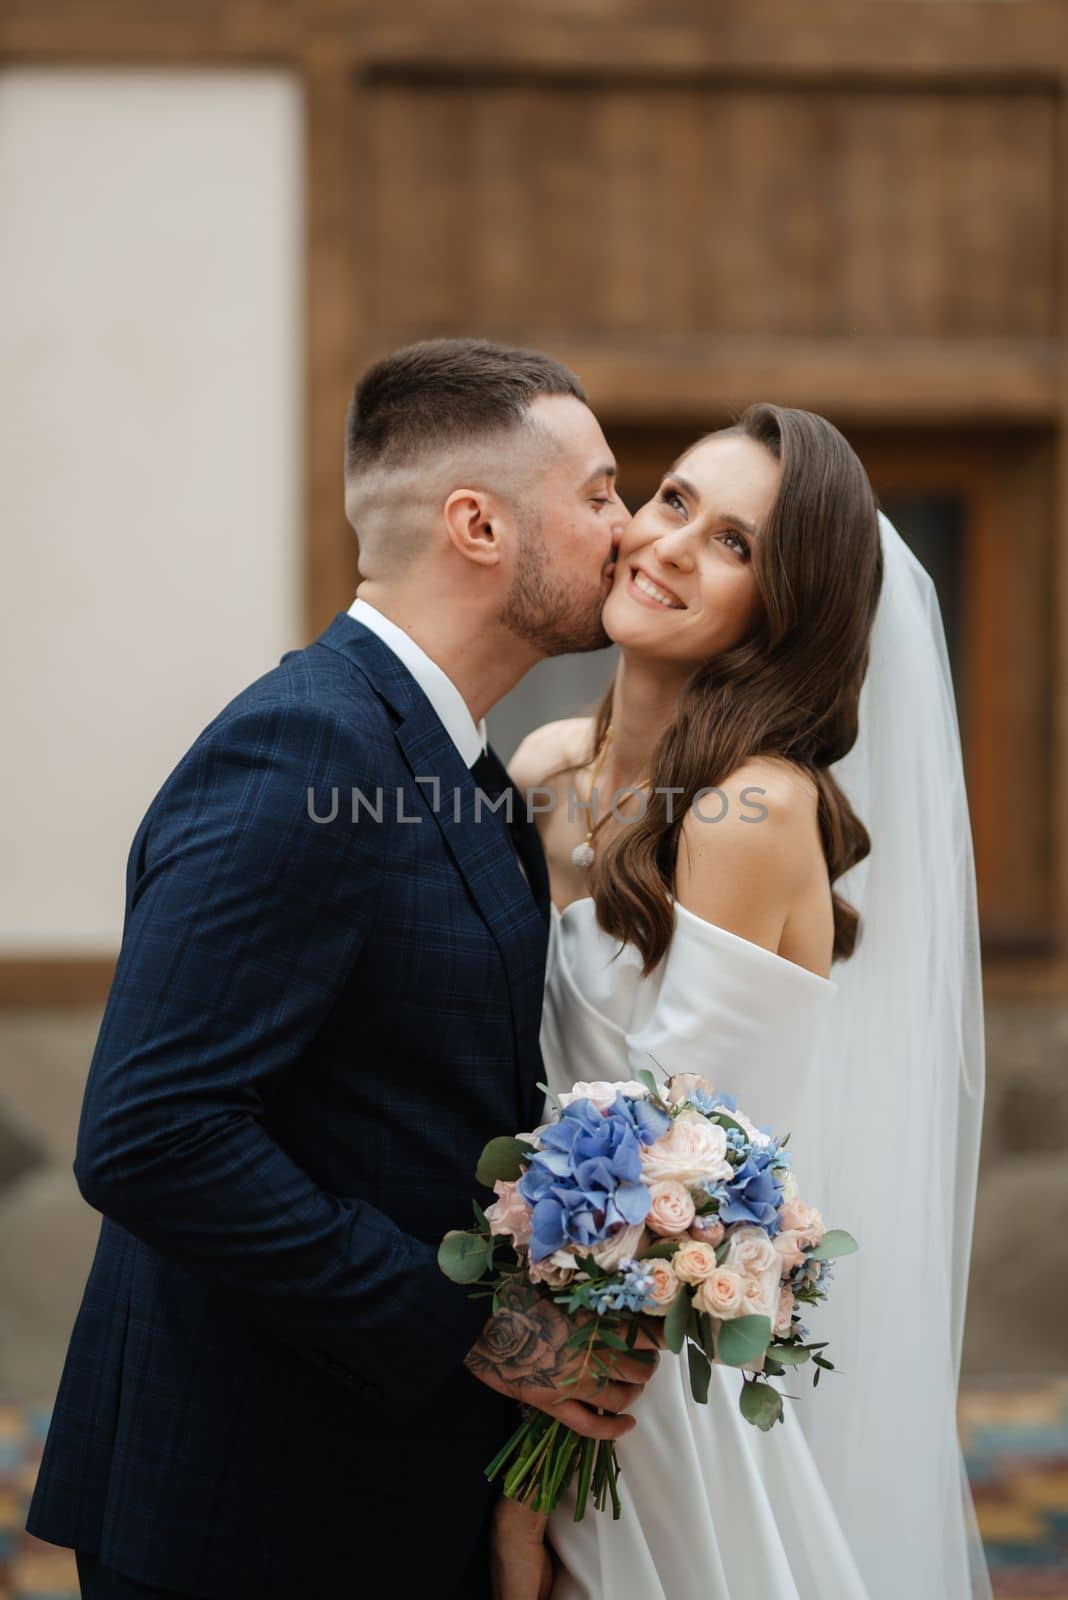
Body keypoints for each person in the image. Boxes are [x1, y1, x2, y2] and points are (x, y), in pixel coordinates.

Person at [26, 338, 660, 1600]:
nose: (629, 527)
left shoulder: (452, 752)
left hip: (366, 1486)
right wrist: (475, 1327)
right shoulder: (303, 744)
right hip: (249, 1508)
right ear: (477, 523)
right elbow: (151, 1133)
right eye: (597, 492)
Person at [502, 404, 993, 1598]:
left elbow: (672, 1161)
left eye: (735, 544)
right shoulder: (547, 768)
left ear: (784, 612)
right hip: (528, 1327)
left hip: (636, 1369)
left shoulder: (758, 806)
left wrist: (528, 1497)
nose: (670, 544)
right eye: (673, 501)